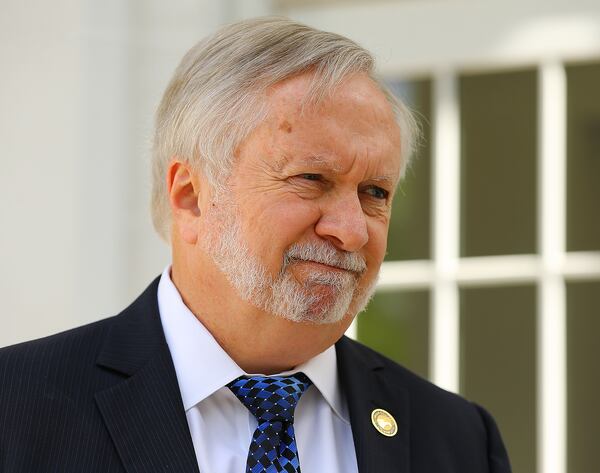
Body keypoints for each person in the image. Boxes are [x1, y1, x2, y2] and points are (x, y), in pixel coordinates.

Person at [0, 17, 511, 473]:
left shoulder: (458, 439)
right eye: (311, 179)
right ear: (192, 197)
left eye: (375, 192)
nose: (353, 231)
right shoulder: (16, 409)